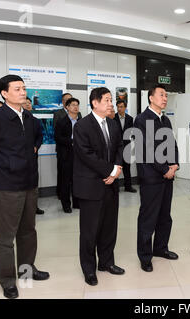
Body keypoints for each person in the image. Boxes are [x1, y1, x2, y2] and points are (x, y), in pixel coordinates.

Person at [0, 75, 50, 299]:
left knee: (28, 232)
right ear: (4, 93)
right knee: (5, 237)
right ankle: (8, 280)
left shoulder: (29, 117)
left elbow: (37, 139)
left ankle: (26, 270)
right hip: (6, 187)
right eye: (17, 89)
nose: (23, 92)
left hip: (29, 184)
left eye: (24, 88)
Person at [73, 87, 125, 286]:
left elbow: (120, 146)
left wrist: (117, 168)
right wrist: (110, 171)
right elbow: (86, 155)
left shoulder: (112, 124)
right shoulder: (82, 126)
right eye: (107, 100)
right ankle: (89, 269)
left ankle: (107, 262)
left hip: (110, 185)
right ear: (95, 102)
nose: (111, 103)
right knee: (89, 230)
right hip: (91, 185)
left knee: (109, 227)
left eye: (111, 100)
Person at [134, 84, 179, 273]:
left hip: (167, 176)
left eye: (166, 95)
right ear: (151, 98)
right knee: (148, 218)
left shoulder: (165, 120)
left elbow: (172, 144)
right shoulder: (142, 120)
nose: (165, 98)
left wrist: (175, 164)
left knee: (164, 216)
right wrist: (163, 169)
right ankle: (145, 256)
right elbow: (146, 150)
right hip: (151, 177)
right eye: (161, 95)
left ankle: (161, 248)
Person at [54, 98, 80, 213]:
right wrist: (72, 141)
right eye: (73, 105)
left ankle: (77, 203)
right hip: (65, 155)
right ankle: (66, 205)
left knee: (77, 180)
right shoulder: (61, 121)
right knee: (65, 181)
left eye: (77, 105)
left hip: (79, 156)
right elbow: (58, 137)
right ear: (67, 107)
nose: (76, 107)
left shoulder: (82, 121)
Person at [22, 97, 45, 215]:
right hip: (19, 158)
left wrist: (36, 146)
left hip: (32, 156)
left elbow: (40, 136)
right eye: (25, 103)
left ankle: (34, 206)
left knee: (33, 182)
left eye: (29, 103)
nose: (28, 105)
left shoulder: (35, 120)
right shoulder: (17, 121)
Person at [114, 100, 136, 193]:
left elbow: (132, 132)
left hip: (127, 146)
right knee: (115, 167)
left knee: (127, 168)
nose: (119, 108)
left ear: (125, 107)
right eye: (118, 107)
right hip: (116, 147)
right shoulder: (113, 117)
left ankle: (128, 186)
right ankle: (115, 187)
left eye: (121, 106)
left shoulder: (130, 119)